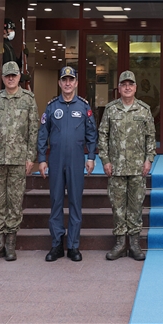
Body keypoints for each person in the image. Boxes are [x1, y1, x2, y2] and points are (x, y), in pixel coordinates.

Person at [37, 65, 97, 262]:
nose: (68, 83)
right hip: (55, 159)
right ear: (59, 83)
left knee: (75, 203)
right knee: (55, 201)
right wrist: (42, 160)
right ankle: (56, 245)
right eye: (64, 80)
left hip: (76, 159)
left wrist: (91, 158)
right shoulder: (52, 107)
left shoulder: (84, 107)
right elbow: (42, 134)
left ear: (77, 83)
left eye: (71, 80)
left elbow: (91, 134)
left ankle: (73, 245)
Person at [0, 61, 39, 262]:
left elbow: (34, 130)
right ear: (3, 78)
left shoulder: (28, 99)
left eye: (14, 75)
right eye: (8, 76)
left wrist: (31, 157)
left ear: (19, 77)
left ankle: (11, 244)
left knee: (15, 202)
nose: (11, 78)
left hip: (18, 159)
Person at [98, 70, 156, 261]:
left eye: (130, 84)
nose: (127, 87)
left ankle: (134, 243)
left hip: (138, 167)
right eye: (124, 84)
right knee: (117, 206)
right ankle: (120, 243)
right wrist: (105, 160)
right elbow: (103, 136)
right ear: (119, 88)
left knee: (135, 206)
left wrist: (149, 159)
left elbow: (150, 137)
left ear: (135, 87)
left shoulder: (144, 109)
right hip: (116, 168)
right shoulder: (110, 109)